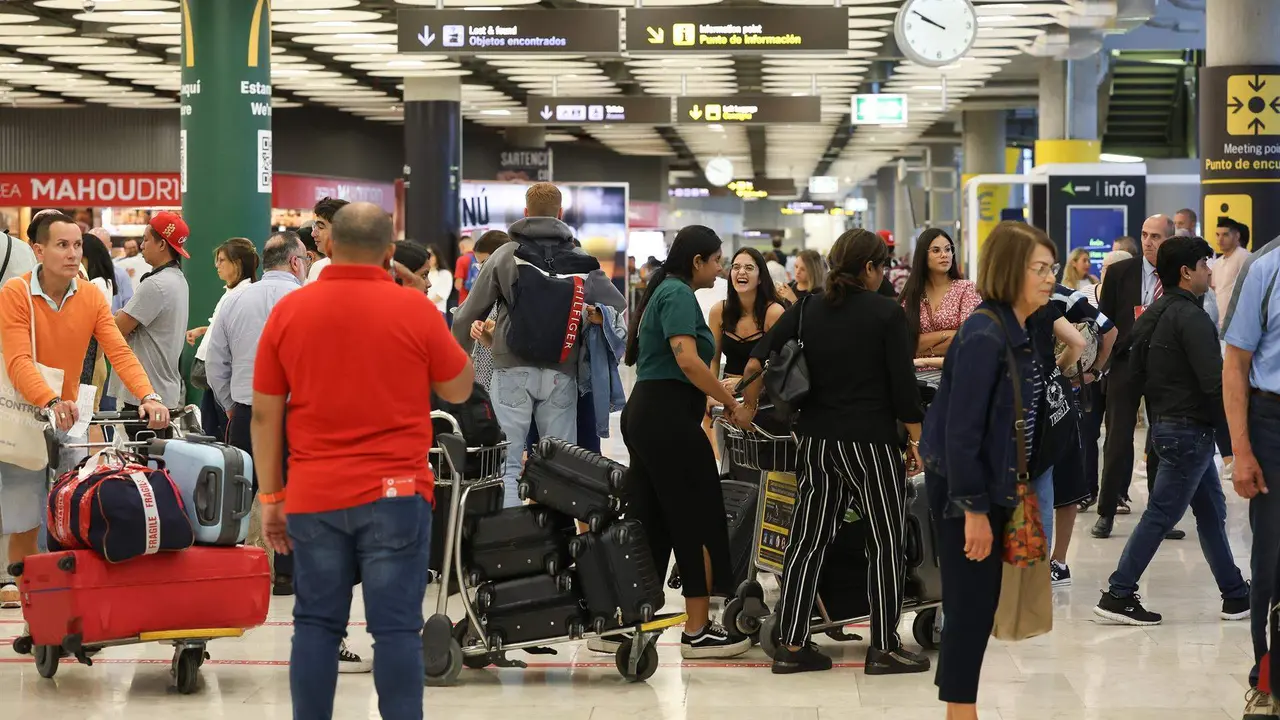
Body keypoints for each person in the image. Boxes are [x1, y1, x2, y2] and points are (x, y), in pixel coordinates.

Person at [252, 202, 474, 720]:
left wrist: (271, 496)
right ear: (391, 253)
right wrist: (417, 299)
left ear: (326, 245)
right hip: (397, 493)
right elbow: (460, 387)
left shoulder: (291, 311)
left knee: (315, 625)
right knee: (396, 629)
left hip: (314, 493)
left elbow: (265, 415)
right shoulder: (414, 309)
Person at [742, 229, 929, 675]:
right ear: (868, 268)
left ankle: (791, 643)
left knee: (808, 541)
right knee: (885, 541)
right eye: (881, 266)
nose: (883, 274)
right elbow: (903, 388)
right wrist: (916, 440)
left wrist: (746, 403)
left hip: (816, 441)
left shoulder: (807, 307)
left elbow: (762, 354)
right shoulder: (887, 313)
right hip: (870, 444)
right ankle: (883, 646)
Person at [919, 221, 1056, 719]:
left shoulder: (1016, 327)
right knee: (971, 608)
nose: (1049, 278)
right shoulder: (984, 332)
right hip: (968, 491)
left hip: (995, 485)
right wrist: (973, 509)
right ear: (1009, 271)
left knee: (976, 606)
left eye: (1051, 268)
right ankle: (960, 712)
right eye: (1039, 268)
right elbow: (961, 431)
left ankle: (960, 707)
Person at [0, 212, 169, 610]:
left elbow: (118, 350)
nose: (73, 253)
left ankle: (68, 595)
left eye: (77, 245)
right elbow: (18, 359)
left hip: (72, 415)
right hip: (27, 413)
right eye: (62, 245)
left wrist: (148, 395)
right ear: (38, 250)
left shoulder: (92, 295)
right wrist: (49, 400)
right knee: (25, 510)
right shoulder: (15, 293)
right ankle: (25, 594)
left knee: (72, 507)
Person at [1095, 235, 1249, 624]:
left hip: (1169, 429)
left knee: (1212, 512)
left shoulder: (1155, 312)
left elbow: (1131, 370)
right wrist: (1232, 446)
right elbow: (1214, 385)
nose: (1209, 271)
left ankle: (1235, 594)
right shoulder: (1191, 317)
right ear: (1186, 272)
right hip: (1188, 434)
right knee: (1161, 515)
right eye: (1203, 265)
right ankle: (1119, 591)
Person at [620, 224, 752, 659]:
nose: (720, 270)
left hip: (649, 415)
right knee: (696, 517)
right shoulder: (677, 294)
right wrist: (729, 400)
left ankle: (633, 618)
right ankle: (697, 629)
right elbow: (688, 360)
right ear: (697, 261)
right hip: (667, 419)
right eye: (716, 261)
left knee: (650, 519)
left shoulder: (666, 291)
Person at [451, 183, 626, 508]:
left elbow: (466, 315)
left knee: (509, 464)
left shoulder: (506, 254)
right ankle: (554, 545)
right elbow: (616, 306)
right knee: (559, 464)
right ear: (560, 214)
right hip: (562, 373)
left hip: (511, 371)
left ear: (526, 213)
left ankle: (512, 543)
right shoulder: (582, 259)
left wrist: (457, 363)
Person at [203, 233, 315, 612]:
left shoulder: (233, 300)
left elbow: (216, 362)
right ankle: (286, 573)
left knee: (240, 493)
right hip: (298, 414)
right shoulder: (309, 301)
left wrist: (231, 405)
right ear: (297, 263)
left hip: (248, 412)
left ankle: (235, 570)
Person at [1222, 229, 1280, 715]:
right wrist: (1240, 450)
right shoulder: (1265, 266)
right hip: (1272, 424)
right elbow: (1236, 363)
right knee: (1272, 556)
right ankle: (1268, 678)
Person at [1093, 214, 1175, 539]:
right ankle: (1106, 510)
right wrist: (1105, 360)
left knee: (1163, 438)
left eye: (1155, 236)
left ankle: (1161, 513)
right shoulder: (1119, 272)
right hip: (1126, 362)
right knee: (1117, 439)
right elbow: (1105, 319)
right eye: (1144, 235)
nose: (1148, 241)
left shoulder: (1175, 273)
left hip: (1164, 366)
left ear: (1168, 239)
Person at [1037, 283, 1117, 587]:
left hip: (1054, 403)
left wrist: (1092, 372)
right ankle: (1046, 563)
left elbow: (1108, 331)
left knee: (1061, 480)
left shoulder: (1056, 297)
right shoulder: (1004, 301)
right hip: (1042, 402)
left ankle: (1055, 561)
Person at [110, 211, 191, 432]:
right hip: (163, 391)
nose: (142, 245)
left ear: (162, 244)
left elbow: (118, 329)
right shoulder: (177, 279)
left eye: (146, 239)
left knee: (140, 463)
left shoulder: (155, 285)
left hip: (145, 397)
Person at [188, 238, 258, 440]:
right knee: (211, 433)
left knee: (220, 436)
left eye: (222, 260)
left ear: (237, 263)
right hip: (214, 378)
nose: (217, 265)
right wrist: (203, 330)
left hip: (224, 379)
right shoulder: (232, 292)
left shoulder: (242, 294)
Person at [899, 228, 982, 369]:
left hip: (957, 373)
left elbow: (969, 340)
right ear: (923, 256)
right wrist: (947, 335)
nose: (944, 255)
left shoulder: (966, 289)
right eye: (936, 251)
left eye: (948, 249)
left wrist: (925, 351)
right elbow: (905, 343)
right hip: (918, 378)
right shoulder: (912, 295)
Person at [709, 247, 785, 392]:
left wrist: (744, 382)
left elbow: (782, 367)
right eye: (736, 267)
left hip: (764, 394)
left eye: (749, 267)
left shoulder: (774, 313)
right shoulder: (718, 311)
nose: (741, 272)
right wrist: (710, 394)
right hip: (727, 392)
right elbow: (713, 361)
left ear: (761, 277)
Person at [462, 230, 513, 391]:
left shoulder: (512, 291)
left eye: (485, 263)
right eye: (478, 265)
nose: (481, 270)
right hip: (485, 375)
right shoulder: (487, 289)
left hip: (504, 381)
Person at [79, 232, 119, 411]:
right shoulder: (105, 282)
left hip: (91, 355)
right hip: (97, 356)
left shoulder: (94, 285)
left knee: (87, 414)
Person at [1214, 216, 1252, 329]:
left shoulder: (1244, 257)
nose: (1220, 239)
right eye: (1217, 235)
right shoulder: (1217, 263)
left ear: (1237, 236)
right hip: (1220, 323)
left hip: (1240, 324)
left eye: (1225, 235)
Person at [305, 197, 349, 284]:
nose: (313, 234)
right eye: (315, 227)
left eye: (321, 227)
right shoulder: (317, 268)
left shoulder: (365, 269)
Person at [425, 244, 453, 318]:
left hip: (437, 312)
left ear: (437, 256)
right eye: (427, 256)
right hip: (423, 312)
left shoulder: (445, 274)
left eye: (431, 255)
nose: (429, 258)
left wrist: (424, 305)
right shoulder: (423, 273)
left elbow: (441, 295)